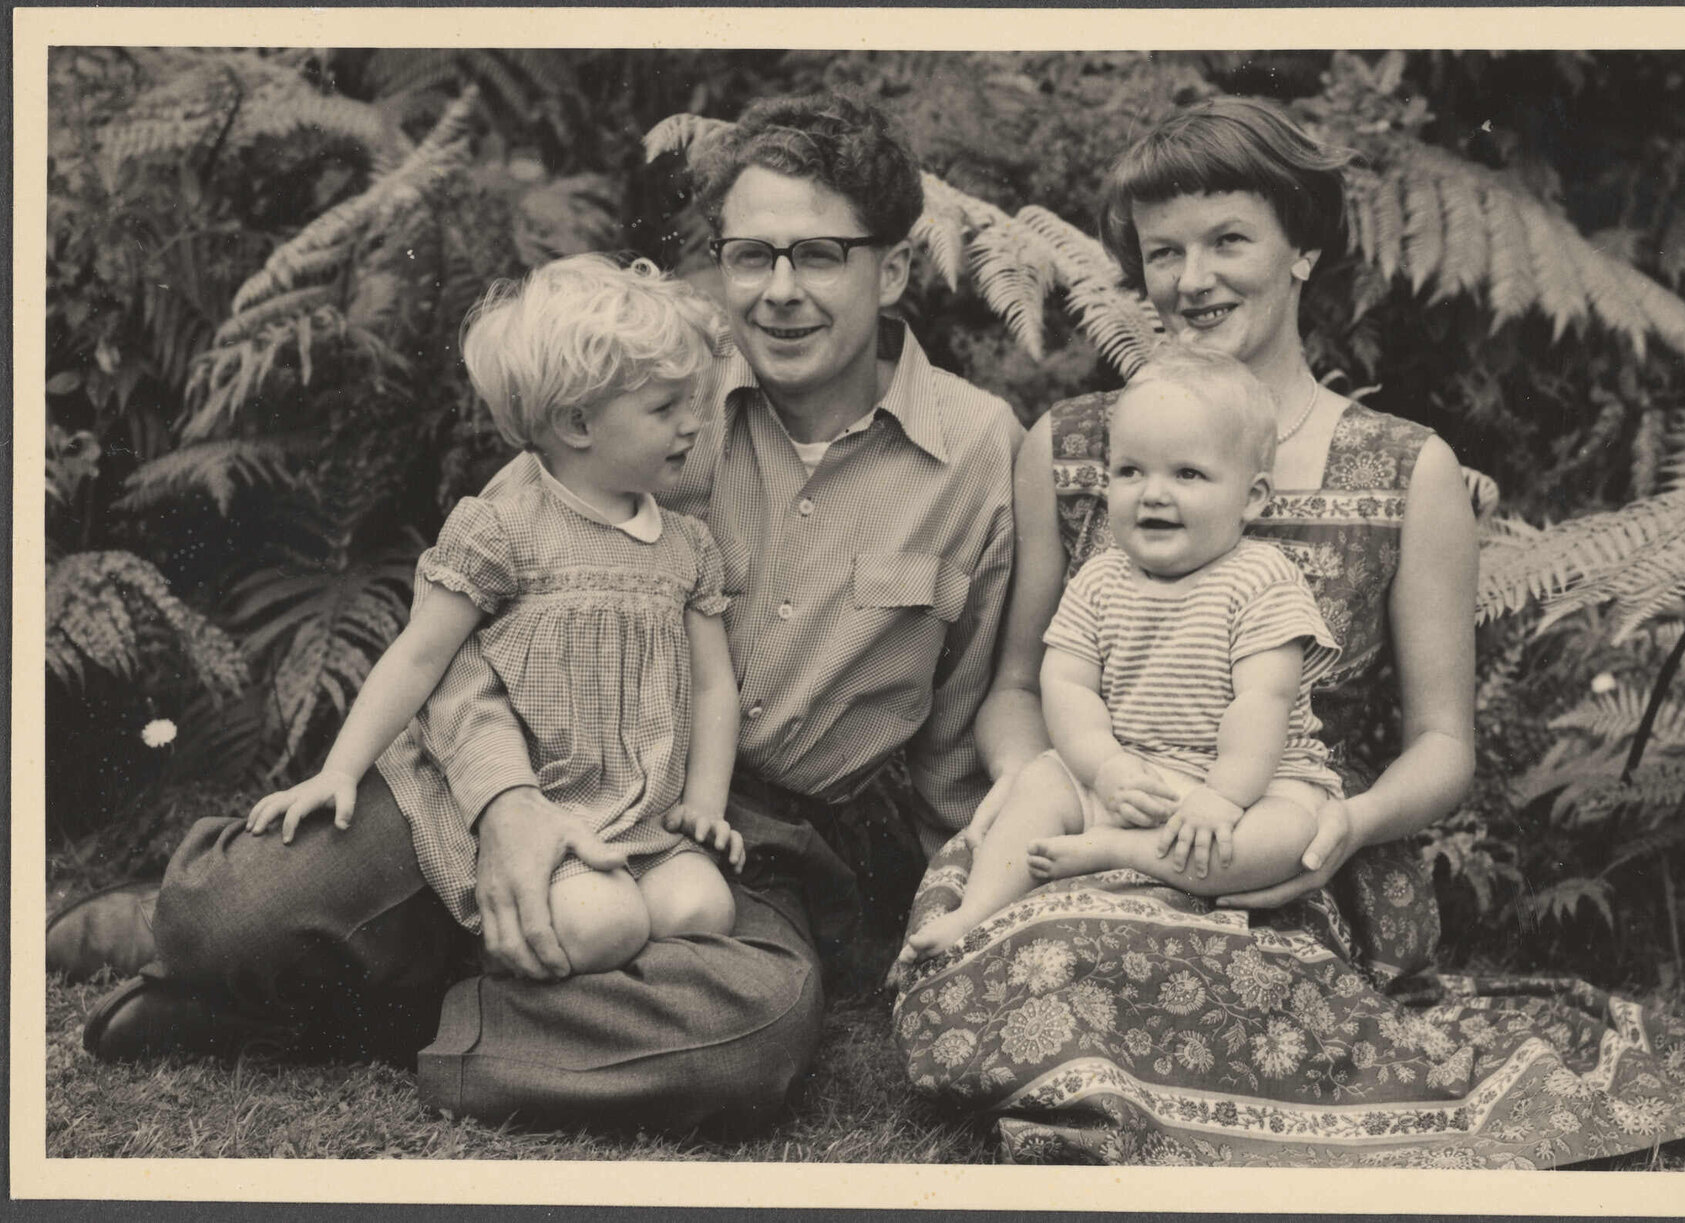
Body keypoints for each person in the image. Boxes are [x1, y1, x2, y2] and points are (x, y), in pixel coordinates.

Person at [66, 91, 1026, 1133]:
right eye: (752, 255)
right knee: (232, 913)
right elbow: (473, 637)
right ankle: (290, 947)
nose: (780, 290)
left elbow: (968, 724)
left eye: (820, 255)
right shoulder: (641, 375)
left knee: (749, 1030)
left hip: (740, 834)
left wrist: (968, 900)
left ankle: (374, 1003)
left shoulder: (982, 452)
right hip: (533, 755)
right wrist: (506, 803)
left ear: (894, 267)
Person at [894, 95, 1685, 1167]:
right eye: (1163, 252)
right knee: (983, 955)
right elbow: (1021, 686)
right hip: (1087, 815)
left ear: (1302, 249)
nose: (1192, 279)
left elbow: (1441, 745)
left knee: (1079, 964)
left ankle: (1112, 1067)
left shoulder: (1404, 469)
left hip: (1289, 865)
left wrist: (1341, 829)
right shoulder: (1072, 449)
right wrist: (1054, 786)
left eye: (1228, 241)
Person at [244, 254, 747, 974]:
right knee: (604, 924)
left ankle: (597, 995)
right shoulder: (504, 531)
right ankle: (496, 983)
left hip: (646, 820)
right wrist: (339, 769)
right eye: (665, 409)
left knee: (702, 910)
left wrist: (703, 805)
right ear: (577, 422)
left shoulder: (686, 547)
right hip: (541, 815)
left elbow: (710, 684)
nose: (694, 423)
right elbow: (420, 656)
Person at [903, 348, 1343, 960]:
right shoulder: (1101, 579)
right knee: (1038, 786)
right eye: (1131, 471)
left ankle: (1119, 852)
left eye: (1187, 475)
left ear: (1252, 496)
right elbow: (1068, 687)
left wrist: (1223, 796)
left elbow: (1262, 702)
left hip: (1250, 781)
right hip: (1131, 771)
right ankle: (974, 916)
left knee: (1289, 833)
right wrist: (1105, 768)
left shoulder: (1262, 579)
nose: (1153, 495)